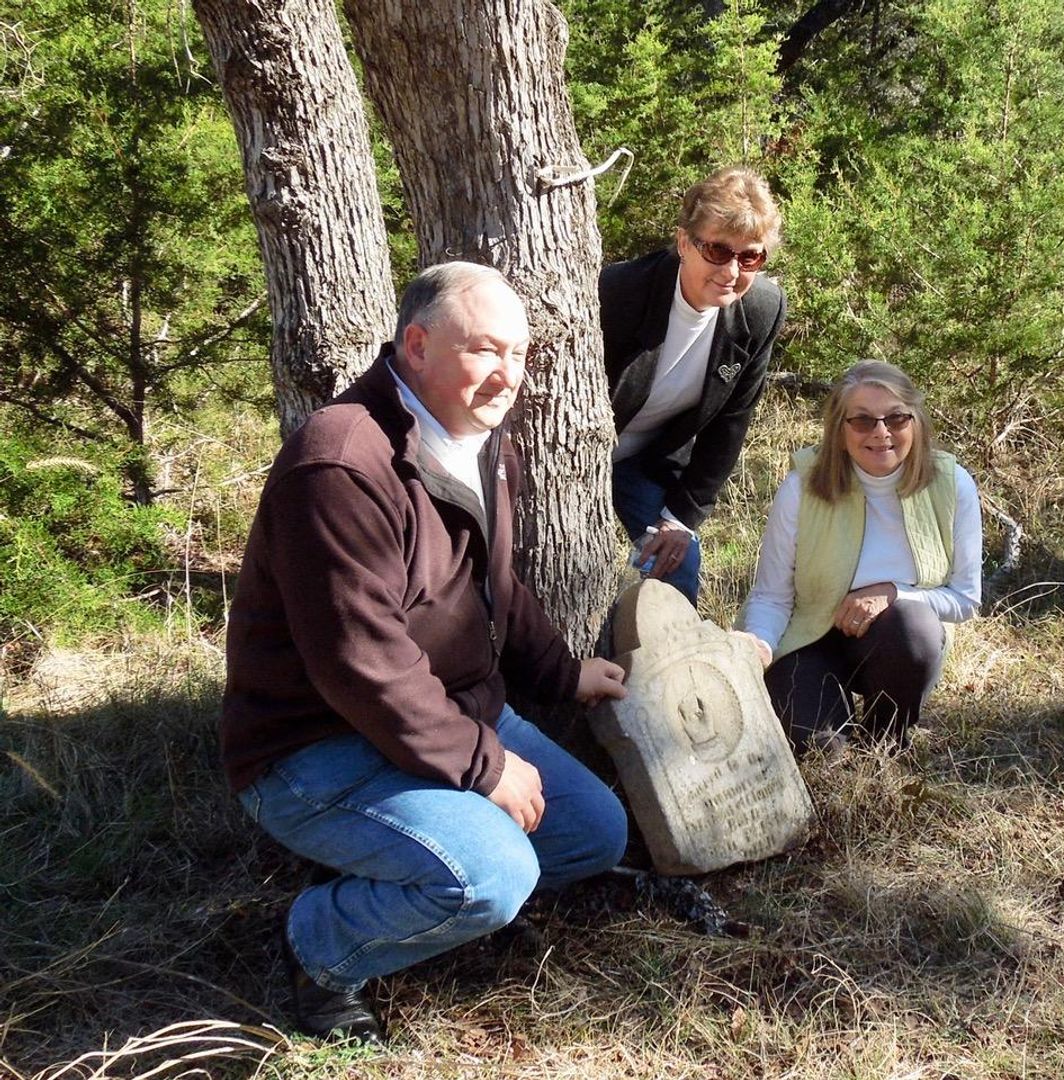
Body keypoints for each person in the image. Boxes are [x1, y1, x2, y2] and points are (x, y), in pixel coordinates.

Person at [221, 263, 629, 1046]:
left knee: (592, 834)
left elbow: (497, 590)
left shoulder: (478, 438)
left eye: (519, 353)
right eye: (484, 350)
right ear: (416, 344)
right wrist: (483, 765)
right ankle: (319, 944)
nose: (507, 374)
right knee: (495, 873)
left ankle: (388, 874)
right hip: (313, 747)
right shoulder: (342, 460)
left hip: (446, 715)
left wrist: (563, 675)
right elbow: (360, 662)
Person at [736, 360, 982, 752]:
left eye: (897, 418)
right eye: (863, 421)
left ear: (915, 421)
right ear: (840, 428)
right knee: (821, 752)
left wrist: (893, 592)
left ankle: (886, 739)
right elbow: (771, 596)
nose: (882, 432)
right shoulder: (802, 486)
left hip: (895, 643)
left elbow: (966, 600)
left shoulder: (952, 484)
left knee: (912, 626)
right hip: (808, 638)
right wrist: (760, 644)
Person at [601, 165, 786, 605]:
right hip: (571, 454)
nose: (732, 270)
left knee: (678, 567)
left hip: (645, 461)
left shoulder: (762, 308)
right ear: (684, 242)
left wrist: (679, 519)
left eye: (751, 257)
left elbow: (732, 422)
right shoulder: (619, 291)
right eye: (718, 251)